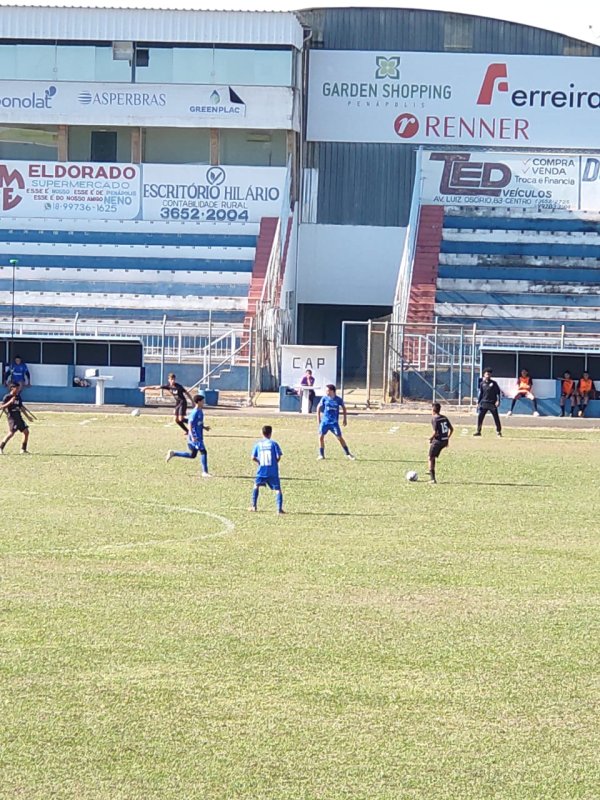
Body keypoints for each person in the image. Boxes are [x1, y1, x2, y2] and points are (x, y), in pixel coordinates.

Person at [165, 393, 211, 476]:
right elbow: (190, 423)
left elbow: (197, 423)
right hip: (195, 437)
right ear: (199, 402)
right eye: (203, 401)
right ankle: (205, 472)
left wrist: (204, 427)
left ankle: (174, 453)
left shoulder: (200, 411)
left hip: (198, 436)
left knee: (192, 455)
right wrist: (193, 436)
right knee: (203, 452)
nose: (204, 402)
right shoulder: (195, 412)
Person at [250, 425, 284, 514]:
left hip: (262, 470)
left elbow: (252, 457)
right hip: (273, 470)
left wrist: (259, 462)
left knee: (256, 485)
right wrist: (275, 462)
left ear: (262, 433)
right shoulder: (273, 444)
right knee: (277, 489)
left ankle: (254, 506)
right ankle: (279, 509)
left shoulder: (258, 444)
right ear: (270, 433)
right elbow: (278, 456)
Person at [317, 384, 355, 460]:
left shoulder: (338, 400)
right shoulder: (324, 398)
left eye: (327, 390)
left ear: (332, 391)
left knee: (339, 437)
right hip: (325, 422)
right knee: (321, 437)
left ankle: (348, 454)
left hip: (334, 423)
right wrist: (319, 419)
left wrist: (345, 419)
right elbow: (318, 407)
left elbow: (344, 408)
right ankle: (321, 455)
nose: (326, 392)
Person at [0, 383, 31, 454]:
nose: (18, 390)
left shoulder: (18, 397)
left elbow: (21, 407)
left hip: (19, 417)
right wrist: (10, 402)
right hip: (12, 417)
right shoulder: (7, 397)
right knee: (11, 433)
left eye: (18, 388)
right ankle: (1, 447)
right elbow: (2, 407)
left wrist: (28, 416)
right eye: (16, 388)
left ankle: (23, 449)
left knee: (26, 432)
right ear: (12, 388)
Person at [428, 402, 454, 484]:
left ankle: (432, 478)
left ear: (433, 410)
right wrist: (447, 438)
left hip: (438, 441)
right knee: (433, 457)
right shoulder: (444, 418)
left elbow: (435, 432)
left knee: (430, 458)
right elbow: (452, 429)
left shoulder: (434, 419)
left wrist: (431, 438)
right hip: (444, 441)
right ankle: (431, 472)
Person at [474, 368, 503, 437]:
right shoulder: (482, 384)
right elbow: (481, 394)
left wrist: (498, 400)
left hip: (492, 403)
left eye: (489, 374)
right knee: (480, 417)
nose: (488, 375)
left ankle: (499, 431)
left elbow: (498, 393)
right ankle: (478, 431)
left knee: (496, 417)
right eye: (487, 374)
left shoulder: (494, 383)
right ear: (484, 375)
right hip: (484, 403)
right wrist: (478, 403)